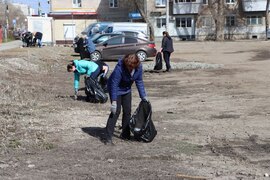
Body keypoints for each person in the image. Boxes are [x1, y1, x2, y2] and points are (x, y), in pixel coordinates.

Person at [104, 54, 148, 145]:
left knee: (127, 111)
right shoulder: (119, 69)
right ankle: (108, 137)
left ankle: (125, 134)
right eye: (129, 67)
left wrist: (143, 96)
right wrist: (114, 101)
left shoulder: (139, 68)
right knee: (115, 112)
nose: (130, 69)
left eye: (132, 67)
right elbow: (114, 85)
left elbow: (139, 81)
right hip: (116, 89)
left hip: (126, 90)